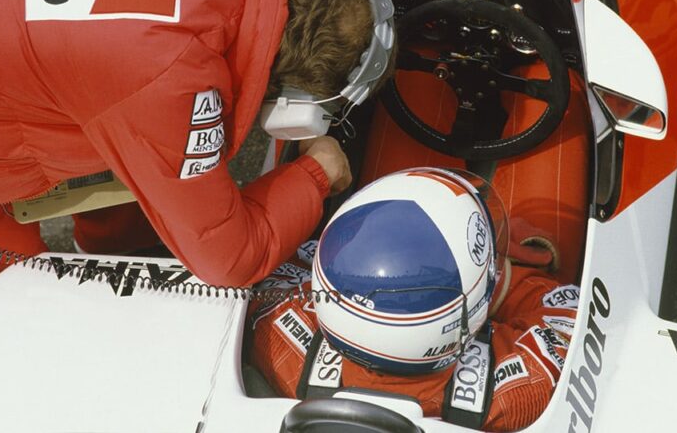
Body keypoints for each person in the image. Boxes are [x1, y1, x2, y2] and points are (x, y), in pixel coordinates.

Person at [0, 0, 394, 288]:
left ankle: (117, 244)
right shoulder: (171, 81)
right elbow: (231, 259)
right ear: (293, 112)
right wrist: (315, 173)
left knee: (111, 127)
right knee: (21, 276)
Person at [247, 168, 578, 432]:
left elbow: (285, 259)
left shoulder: (274, 333)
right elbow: (569, 312)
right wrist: (498, 269)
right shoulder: (519, 394)